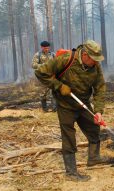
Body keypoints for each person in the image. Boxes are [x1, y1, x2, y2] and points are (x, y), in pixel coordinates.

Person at [34, 40, 106, 182]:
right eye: (94, 59)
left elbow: (100, 88)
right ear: (85, 55)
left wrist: (98, 111)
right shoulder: (66, 59)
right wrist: (59, 86)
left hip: (83, 103)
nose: (96, 63)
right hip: (65, 105)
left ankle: (94, 158)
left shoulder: (95, 66)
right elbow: (40, 72)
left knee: (93, 128)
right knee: (69, 136)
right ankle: (71, 173)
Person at [32, 41, 56, 112]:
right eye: (45, 48)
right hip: (42, 77)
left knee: (54, 92)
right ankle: (44, 108)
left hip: (52, 76)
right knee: (43, 93)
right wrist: (43, 65)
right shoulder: (38, 55)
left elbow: (57, 63)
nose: (47, 49)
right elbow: (33, 65)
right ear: (42, 47)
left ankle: (54, 108)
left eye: (48, 48)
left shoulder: (53, 54)